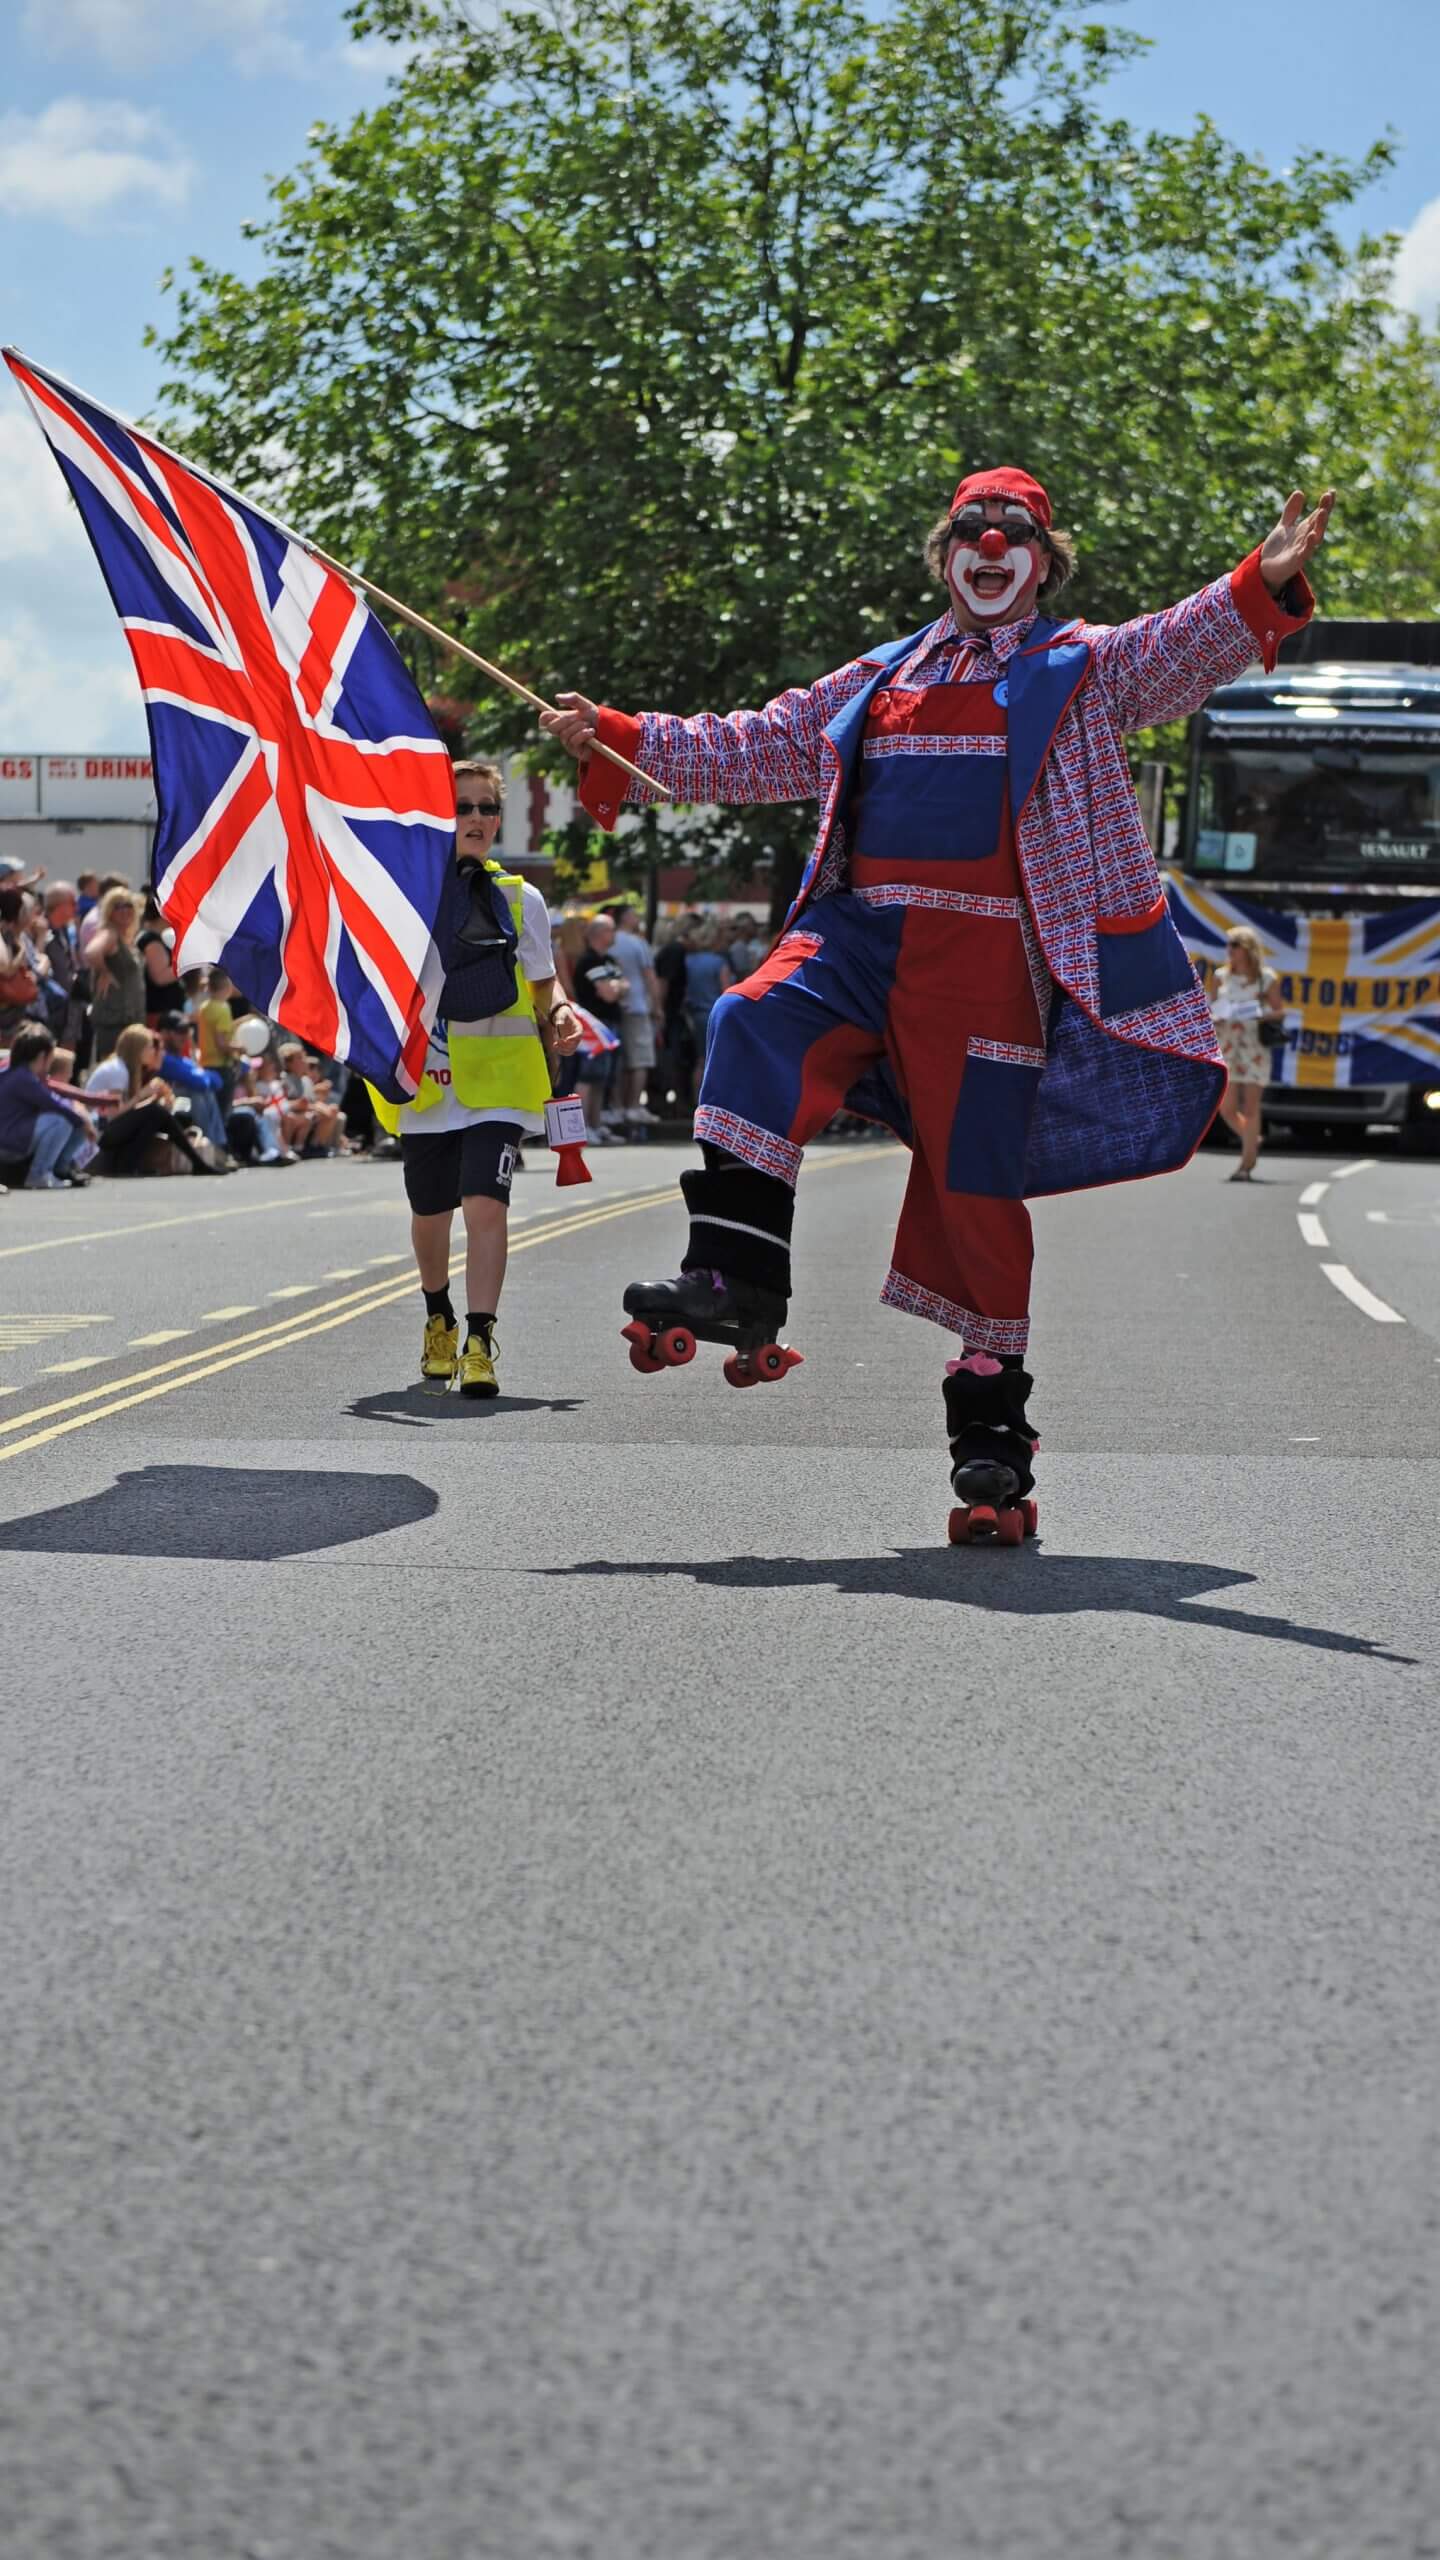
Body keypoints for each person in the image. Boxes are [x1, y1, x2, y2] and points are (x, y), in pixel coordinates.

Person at [542, 469, 1332, 1530]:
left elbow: (1178, 646)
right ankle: (733, 1278)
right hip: (861, 933)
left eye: (1017, 533)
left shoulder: (1082, 667)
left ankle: (994, 1436)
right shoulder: (879, 674)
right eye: (973, 528)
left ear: (1045, 563)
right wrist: (623, 740)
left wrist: (1254, 587)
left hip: (990, 958)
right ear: (943, 554)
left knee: (975, 1189)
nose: (994, 544)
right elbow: (751, 745)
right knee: (749, 1016)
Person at [366, 758, 582, 1396]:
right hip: (426, 1088)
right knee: (431, 1214)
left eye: (489, 807)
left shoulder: (522, 897)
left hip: (498, 1090)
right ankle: (439, 1316)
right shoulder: (400, 891)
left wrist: (562, 1012)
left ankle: (481, 1338)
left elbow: (543, 982)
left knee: (486, 1205)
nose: (479, 819)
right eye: (464, 807)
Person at [86, 1023, 223, 1177]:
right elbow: (114, 1114)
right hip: (97, 1131)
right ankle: (197, 1163)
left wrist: (153, 1098)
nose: (153, 1052)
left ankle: (129, 1165)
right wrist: (142, 1095)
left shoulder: (126, 1069)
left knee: (157, 1115)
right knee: (155, 1112)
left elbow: (128, 1113)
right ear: (137, 1049)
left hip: (106, 1128)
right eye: (150, 1047)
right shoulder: (117, 1070)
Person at [1209, 926, 1285, 1181]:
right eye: (1228, 944)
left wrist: (1257, 1012)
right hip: (1229, 1045)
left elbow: (1279, 1011)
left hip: (1254, 1047)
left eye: (1235, 944)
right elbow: (1210, 1008)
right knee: (1226, 1107)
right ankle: (1251, 1140)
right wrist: (1218, 1017)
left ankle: (1246, 1163)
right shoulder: (1221, 976)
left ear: (1247, 949)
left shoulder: (1265, 978)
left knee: (1251, 1106)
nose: (1229, 950)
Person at [0, 1021, 95, 1189]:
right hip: (8, 1144)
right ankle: (39, 1174)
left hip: (10, 1138)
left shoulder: (17, 1072)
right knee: (61, 1120)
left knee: (71, 1116)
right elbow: (53, 1104)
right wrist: (84, 1121)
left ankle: (60, 1169)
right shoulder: (23, 1078)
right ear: (42, 1056)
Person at [571, 911, 628, 1141]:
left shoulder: (609, 961)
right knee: (588, 1075)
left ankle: (596, 1124)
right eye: (610, 929)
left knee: (603, 1076)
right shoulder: (589, 961)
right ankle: (582, 1127)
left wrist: (616, 986)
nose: (614, 934)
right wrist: (616, 986)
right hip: (593, 1025)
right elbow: (609, 994)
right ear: (597, 934)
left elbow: (624, 986)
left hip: (610, 1023)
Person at [608, 902, 663, 1133]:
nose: (637, 918)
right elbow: (649, 977)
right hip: (638, 1005)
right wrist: (658, 1006)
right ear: (626, 918)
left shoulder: (610, 942)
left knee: (618, 1061)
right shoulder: (637, 943)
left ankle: (617, 1105)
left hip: (616, 1005)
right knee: (640, 1059)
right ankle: (633, 1105)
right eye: (634, 915)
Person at [85, 885, 147, 1062]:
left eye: (129, 905)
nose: (125, 910)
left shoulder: (127, 938)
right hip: (114, 1022)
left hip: (130, 1021)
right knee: (114, 1074)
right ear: (109, 911)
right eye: (118, 906)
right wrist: (104, 972)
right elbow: (91, 952)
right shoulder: (109, 933)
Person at [681, 922, 733, 1102]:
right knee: (711, 1061)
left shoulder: (688, 960)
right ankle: (708, 1102)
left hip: (693, 1015)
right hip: (714, 1015)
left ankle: (696, 1100)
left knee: (699, 1060)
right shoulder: (719, 962)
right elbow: (727, 992)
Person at [727, 911, 766, 980]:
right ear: (744, 928)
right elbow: (743, 976)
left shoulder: (744, 946)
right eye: (753, 924)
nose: (756, 927)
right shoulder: (739, 948)